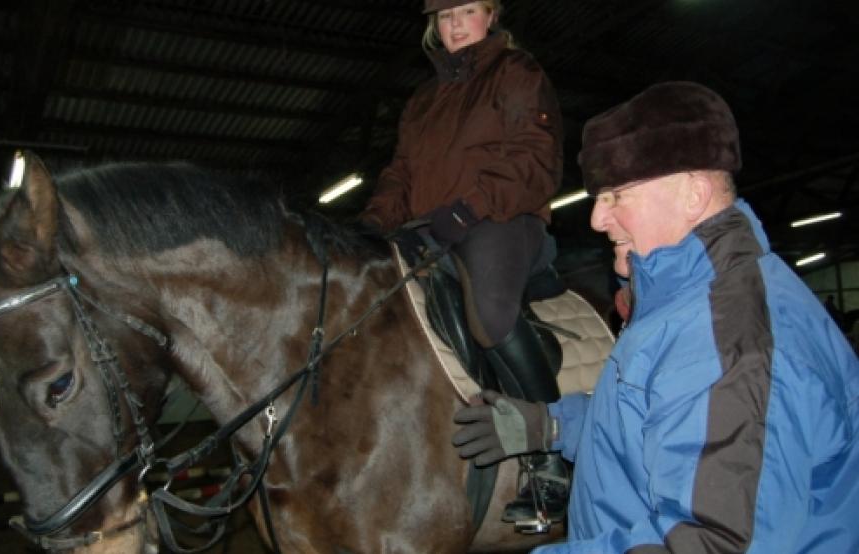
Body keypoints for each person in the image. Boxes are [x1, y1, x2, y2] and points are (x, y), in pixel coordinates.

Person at [452, 81, 859, 552]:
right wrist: (551, 425)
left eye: (617, 195)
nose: (596, 220)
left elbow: (713, 543)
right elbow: (654, 425)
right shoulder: (688, 303)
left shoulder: (724, 338)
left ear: (694, 194)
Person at [360, 0, 566, 527]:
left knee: (491, 314)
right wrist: (371, 226)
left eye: (466, 11)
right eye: (445, 16)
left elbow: (534, 156)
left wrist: (469, 208)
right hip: (432, 228)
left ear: (491, 15)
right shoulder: (423, 99)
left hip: (503, 219)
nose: (455, 24)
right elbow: (400, 173)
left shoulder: (517, 72)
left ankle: (551, 461)